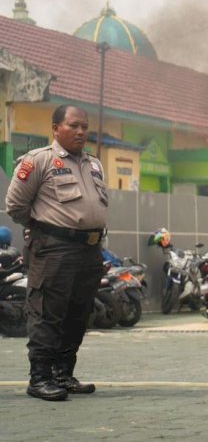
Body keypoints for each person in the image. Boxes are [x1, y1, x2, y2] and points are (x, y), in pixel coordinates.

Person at [5, 105, 108, 401]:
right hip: (54, 248)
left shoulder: (93, 164)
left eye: (84, 127)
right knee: (47, 312)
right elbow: (16, 205)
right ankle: (40, 379)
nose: (81, 132)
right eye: (73, 126)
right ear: (55, 129)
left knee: (78, 313)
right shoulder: (39, 161)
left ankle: (64, 374)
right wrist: (43, 230)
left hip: (89, 249)